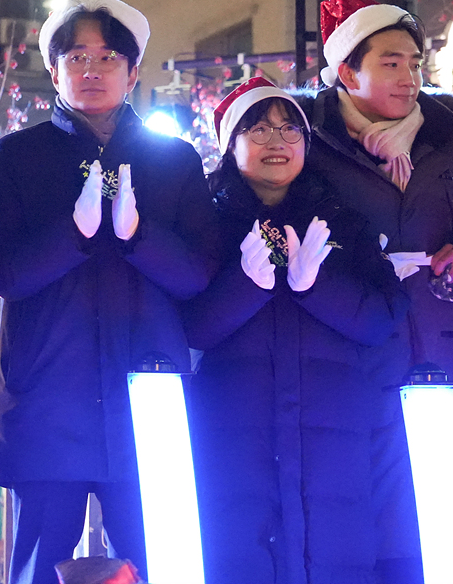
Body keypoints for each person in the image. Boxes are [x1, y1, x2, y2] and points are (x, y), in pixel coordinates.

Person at [0, 0, 217, 583]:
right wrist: (74, 234)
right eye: (77, 57)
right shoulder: (18, 157)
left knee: (161, 567)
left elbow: (198, 276)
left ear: (133, 72)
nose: (92, 69)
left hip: (148, 398)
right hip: (48, 400)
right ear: (54, 69)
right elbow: (5, 274)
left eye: (109, 57)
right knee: (37, 570)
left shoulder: (173, 159)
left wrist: (140, 237)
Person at [299, 0, 453, 582]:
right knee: (361, 532)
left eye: (415, 63)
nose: (410, 77)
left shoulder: (451, 148)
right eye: (390, 62)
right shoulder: (307, 144)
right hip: (349, 357)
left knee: (444, 536)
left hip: (443, 349)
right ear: (346, 71)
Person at [183, 76, 405, 584]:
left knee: (334, 560)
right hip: (232, 433)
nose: (277, 141)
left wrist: (316, 286)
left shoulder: (343, 221)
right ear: (231, 144)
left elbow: (382, 319)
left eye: (290, 130)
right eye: (258, 129)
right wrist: (246, 285)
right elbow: (191, 327)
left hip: (334, 437)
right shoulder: (205, 222)